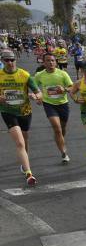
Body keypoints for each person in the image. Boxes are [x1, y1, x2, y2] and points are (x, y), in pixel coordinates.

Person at [0, 49, 40, 186]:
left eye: (12, 60)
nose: (10, 62)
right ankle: (29, 174)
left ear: (15, 60)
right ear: (2, 61)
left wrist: (36, 97)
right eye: (7, 60)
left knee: (24, 140)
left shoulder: (24, 75)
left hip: (25, 111)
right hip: (8, 112)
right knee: (20, 143)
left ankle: (24, 162)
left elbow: (38, 93)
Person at [33, 52, 73, 164]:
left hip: (63, 104)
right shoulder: (39, 75)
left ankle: (59, 138)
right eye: (48, 61)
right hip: (49, 104)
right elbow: (34, 87)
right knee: (57, 128)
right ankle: (64, 153)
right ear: (44, 62)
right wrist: (38, 96)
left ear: (55, 62)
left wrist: (64, 89)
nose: (50, 62)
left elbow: (72, 87)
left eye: (52, 60)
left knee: (62, 129)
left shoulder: (63, 74)